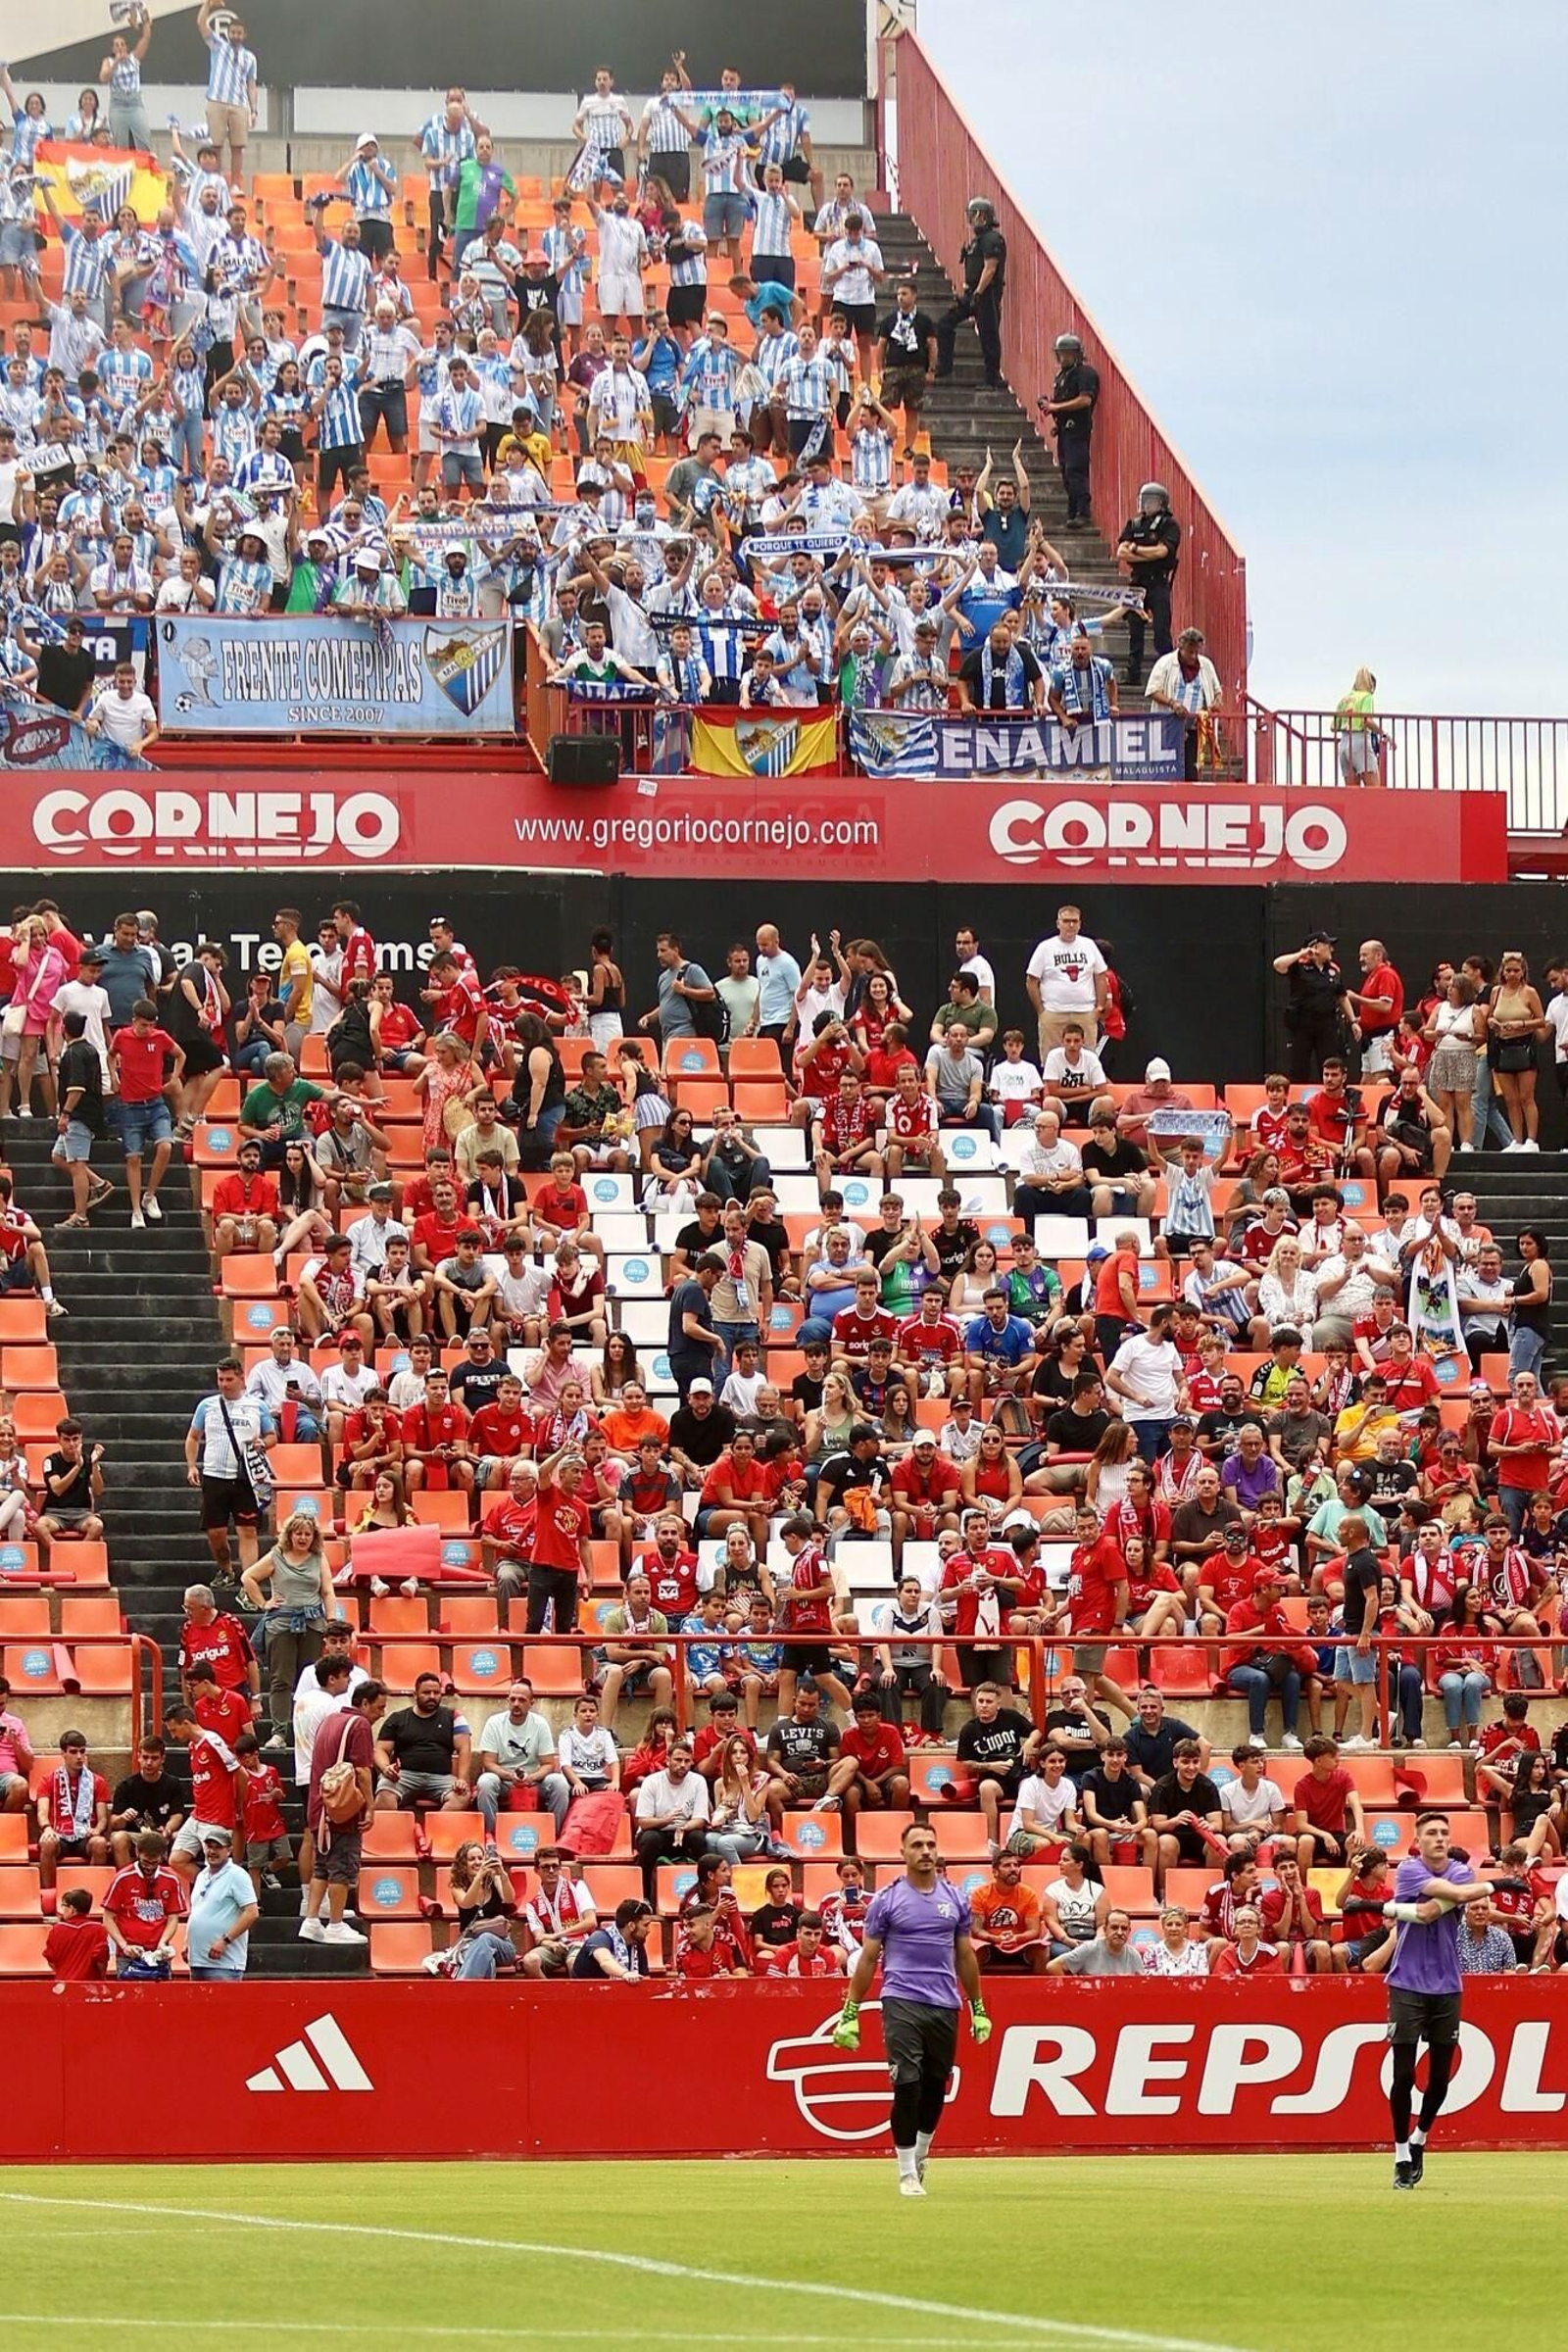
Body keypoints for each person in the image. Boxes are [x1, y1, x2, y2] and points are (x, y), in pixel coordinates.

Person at [832, 1820, 989, 2198]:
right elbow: (869, 1958)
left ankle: (920, 2156)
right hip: (901, 1999)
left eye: (930, 1844)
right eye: (917, 1845)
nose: (925, 1851)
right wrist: (851, 2011)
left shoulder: (955, 1899)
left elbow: (965, 1954)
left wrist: (977, 2006)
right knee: (907, 2084)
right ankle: (905, 2173)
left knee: (936, 2086)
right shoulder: (886, 1901)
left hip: (945, 2004)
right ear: (902, 1853)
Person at [1385, 1811, 1496, 2187]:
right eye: (1431, 1832)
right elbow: (1432, 1910)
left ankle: (1420, 2138)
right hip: (1406, 1981)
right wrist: (1490, 1888)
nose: (1439, 1838)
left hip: (1448, 1983)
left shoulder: (1461, 1872)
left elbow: (1433, 1909)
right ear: (1418, 1839)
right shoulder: (1409, 1871)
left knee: (1440, 2078)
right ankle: (1401, 2152)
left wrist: (1394, 1910)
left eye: (1444, 1833)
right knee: (1402, 2074)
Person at [932, 195, 1006, 388]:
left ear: (987, 217)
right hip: (972, 292)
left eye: (978, 215)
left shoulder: (992, 239)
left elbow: (990, 268)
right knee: (944, 324)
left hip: (986, 293)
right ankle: (944, 366)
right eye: (973, 215)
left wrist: (979, 292)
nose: (974, 219)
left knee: (988, 335)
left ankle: (993, 379)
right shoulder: (976, 241)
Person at [185, 1824, 258, 1982]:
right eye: (209, 1846)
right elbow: (198, 1912)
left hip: (224, 1963)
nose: (212, 1851)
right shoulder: (202, 1875)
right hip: (197, 1960)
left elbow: (252, 1912)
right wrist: (188, 1945)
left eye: (218, 1847)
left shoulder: (237, 1875)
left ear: (229, 1850)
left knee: (223, 2006)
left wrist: (225, 1940)